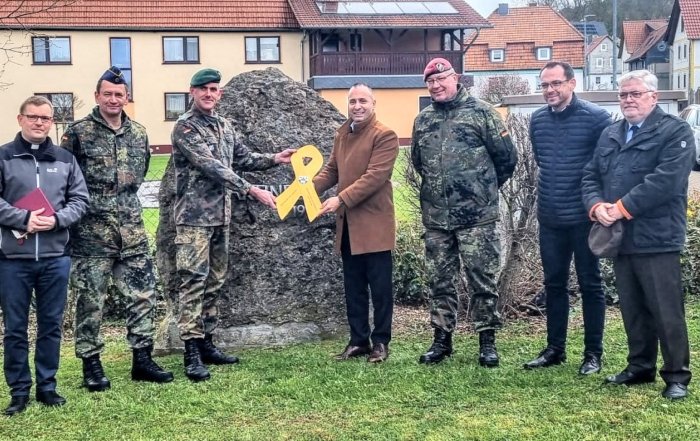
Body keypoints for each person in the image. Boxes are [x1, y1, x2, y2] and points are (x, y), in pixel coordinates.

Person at [171, 68, 295, 381]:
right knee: (193, 283)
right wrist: (251, 190)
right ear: (192, 92)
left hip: (221, 217)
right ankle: (191, 352)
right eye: (203, 89)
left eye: (214, 89)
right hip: (194, 220)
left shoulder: (224, 126)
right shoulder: (185, 126)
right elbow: (210, 166)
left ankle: (207, 343)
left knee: (214, 282)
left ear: (220, 93)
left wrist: (275, 158)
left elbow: (242, 158)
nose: (208, 94)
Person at [582, 70, 694, 400]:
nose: (628, 100)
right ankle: (640, 366)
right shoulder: (612, 132)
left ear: (653, 97)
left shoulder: (675, 131)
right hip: (621, 237)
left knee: (665, 309)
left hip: (658, 236)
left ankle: (676, 376)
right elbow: (590, 175)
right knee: (632, 307)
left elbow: (666, 181)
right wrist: (596, 206)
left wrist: (620, 208)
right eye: (623, 94)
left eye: (636, 94)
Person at [61, 66, 174, 392]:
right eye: (107, 94)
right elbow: (65, 180)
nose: (113, 99)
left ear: (127, 98)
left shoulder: (138, 133)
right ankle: (91, 364)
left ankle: (142, 359)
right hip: (91, 234)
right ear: (97, 96)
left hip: (132, 232)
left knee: (143, 296)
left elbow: (138, 177)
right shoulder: (77, 133)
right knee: (91, 301)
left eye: (119, 95)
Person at [411, 58, 517, 367]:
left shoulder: (483, 113)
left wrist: (480, 190)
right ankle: (441, 341)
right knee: (439, 281)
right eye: (431, 81)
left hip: (477, 217)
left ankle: (487, 342)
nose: (436, 85)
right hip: (437, 217)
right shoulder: (423, 120)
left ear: (455, 78)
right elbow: (419, 163)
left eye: (441, 79)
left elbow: (506, 159)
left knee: (482, 280)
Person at [0, 96, 88, 415]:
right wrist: (22, 219)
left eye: (45, 118)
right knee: (15, 328)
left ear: (52, 122)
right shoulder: (3, 157)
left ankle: (47, 386)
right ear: (20, 119)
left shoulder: (65, 159)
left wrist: (57, 220)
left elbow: (80, 199)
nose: (39, 122)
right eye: (33, 116)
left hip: (55, 257)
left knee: (51, 325)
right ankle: (19, 390)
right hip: (13, 260)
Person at [524, 61, 612, 375]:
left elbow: (605, 167)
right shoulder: (538, 120)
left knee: (591, 284)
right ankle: (554, 349)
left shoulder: (597, 118)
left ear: (572, 83)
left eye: (556, 83)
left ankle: (593, 354)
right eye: (544, 85)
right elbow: (542, 161)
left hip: (585, 218)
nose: (550, 90)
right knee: (554, 284)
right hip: (550, 217)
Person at [314, 83, 399, 363]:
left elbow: (375, 176)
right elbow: (332, 170)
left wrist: (340, 199)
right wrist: (306, 189)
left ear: (373, 103)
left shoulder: (385, 135)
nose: (357, 106)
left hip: (374, 224)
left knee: (380, 289)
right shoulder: (343, 134)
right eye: (352, 102)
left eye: (363, 101)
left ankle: (381, 342)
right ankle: (358, 340)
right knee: (354, 287)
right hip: (348, 225)